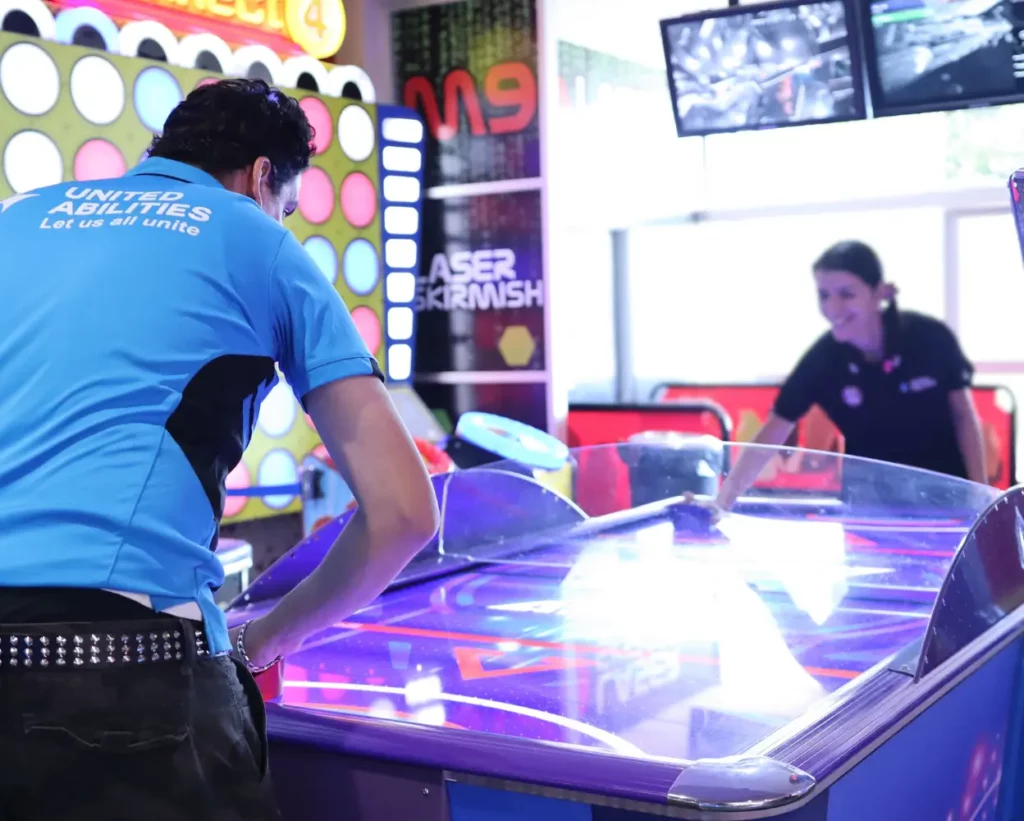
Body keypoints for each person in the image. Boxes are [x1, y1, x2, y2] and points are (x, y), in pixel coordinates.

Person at [0, 79, 439, 819]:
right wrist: (264, 638)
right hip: (126, 680)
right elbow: (404, 512)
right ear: (263, 177)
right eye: (289, 207)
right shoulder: (252, 235)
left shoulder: (21, 221)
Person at [714, 240, 987, 511]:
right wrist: (722, 501)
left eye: (846, 294)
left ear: (878, 292)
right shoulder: (824, 359)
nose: (832, 308)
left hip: (947, 500)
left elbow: (964, 416)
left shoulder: (929, 338)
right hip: (870, 509)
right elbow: (774, 430)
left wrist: (981, 496)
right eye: (824, 295)